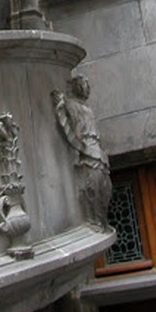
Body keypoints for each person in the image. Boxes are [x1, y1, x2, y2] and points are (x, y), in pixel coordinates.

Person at [52, 75, 111, 229]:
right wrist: (61, 106)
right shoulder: (72, 105)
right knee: (91, 189)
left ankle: (100, 219)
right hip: (89, 154)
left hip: (97, 154)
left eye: (87, 85)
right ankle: (94, 220)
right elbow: (67, 125)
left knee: (104, 189)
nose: (87, 88)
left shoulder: (86, 109)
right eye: (84, 85)